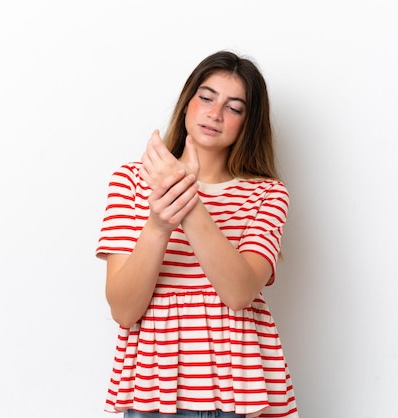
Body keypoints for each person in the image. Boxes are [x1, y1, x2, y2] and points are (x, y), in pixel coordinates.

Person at [96, 50, 299, 418]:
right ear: (187, 102)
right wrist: (158, 223)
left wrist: (183, 197)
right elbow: (124, 310)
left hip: (241, 390)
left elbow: (239, 293)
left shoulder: (267, 194)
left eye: (234, 107)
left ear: (248, 123)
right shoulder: (131, 182)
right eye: (206, 97)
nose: (215, 113)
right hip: (153, 390)